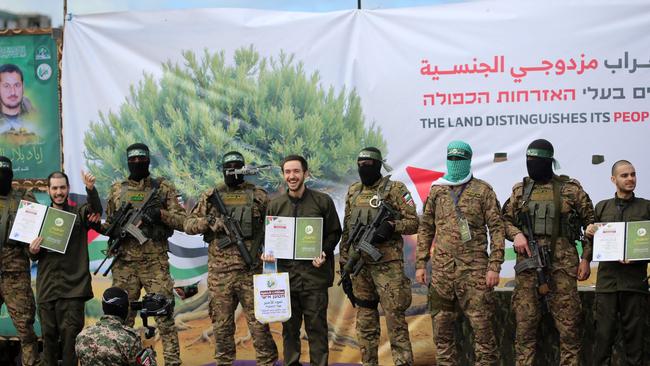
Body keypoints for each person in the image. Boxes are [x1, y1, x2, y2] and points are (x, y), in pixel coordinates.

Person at [502, 139, 594, 365]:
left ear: (549, 161)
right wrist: (516, 235)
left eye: (537, 161)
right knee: (524, 328)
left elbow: (592, 225)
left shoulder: (571, 190)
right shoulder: (520, 190)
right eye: (529, 161)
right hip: (528, 269)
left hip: (563, 268)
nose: (532, 165)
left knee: (570, 328)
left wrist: (585, 258)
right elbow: (503, 221)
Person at [184, 151, 278, 366]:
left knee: (259, 324)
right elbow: (188, 225)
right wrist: (210, 222)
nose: (232, 171)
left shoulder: (259, 195)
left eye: (237, 166)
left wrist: (268, 254)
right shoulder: (211, 195)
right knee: (222, 325)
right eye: (229, 167)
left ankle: (267, 361)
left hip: (250, 271)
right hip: (220, 274)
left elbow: (273, 227)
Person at [415, 141, 504, 366]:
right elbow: (426, 228)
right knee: (442, 335)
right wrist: (420, 263)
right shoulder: (437, 190)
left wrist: (494, 266)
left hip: (474, 274)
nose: (455, 164)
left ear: (469, 161)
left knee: (483, 334)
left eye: (460, 160)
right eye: (452, 159)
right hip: (442, 275)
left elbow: (497, 228)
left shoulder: (483, 190)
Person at [102, 143, 187, 365]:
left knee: (165, 318)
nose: (138, 163)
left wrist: (160, 214)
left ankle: (172, 363)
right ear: (128, 161)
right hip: (124, 265)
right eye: (133, 160)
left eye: (142, 159)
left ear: (148, 160)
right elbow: (110, 225)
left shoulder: (163, 188)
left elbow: (182, 221)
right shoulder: (117, 190)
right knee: (120, 321)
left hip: (155, 263)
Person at [339, 147, 418, 366]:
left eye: (369, 164)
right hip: (360, 266)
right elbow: (348, 228)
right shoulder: (354, 191)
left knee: (396, 322)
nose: (364, 168)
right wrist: (344, 261)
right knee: (365, 322)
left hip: (388, 269)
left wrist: (392, 226)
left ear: (379, 165)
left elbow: (414, 222)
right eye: (360, 164)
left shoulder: (395, 189)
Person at [261, 154, 342, 366]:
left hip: (314, 278)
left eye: (296, 171)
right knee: (289, 331)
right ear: (283, 175)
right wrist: (267, 255)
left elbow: (334, 232)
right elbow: (268, 241)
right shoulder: (275, 206)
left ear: (306, 174)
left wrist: (324, 251)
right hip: (285, 281)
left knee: (317, 330)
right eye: (288, 172)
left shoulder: (322, 201)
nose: (292, 176)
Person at [28, 170, 102, 366]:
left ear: (68, 189)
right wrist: (32, 250)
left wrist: (90, 189)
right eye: (54, 188)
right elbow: (32, 254)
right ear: (48, 190)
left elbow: (95, 211)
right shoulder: (39, 217)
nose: (59, 192)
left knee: (71, 347)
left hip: (73, 291)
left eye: (62, 187)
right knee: (49, 345)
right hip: (47, 291)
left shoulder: (80, 212)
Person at [585, 160, 650, 365]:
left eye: (633, 174)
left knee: (636, 343)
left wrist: (640, 255)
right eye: (624, 175)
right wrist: (589, 233)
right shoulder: (602, 207)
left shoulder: (646, 207)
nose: (630, 178)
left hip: (635, 284)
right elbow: (591, 243)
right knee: (603, 340)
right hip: (607, 285)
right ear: (614, 179)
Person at [0, 156, 40, 366]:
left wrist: (34, 251)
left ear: (11, 175)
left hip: (16, 276)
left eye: (4, 173)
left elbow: (32, 242)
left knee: (26, 332)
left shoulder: (25, 198)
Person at [75, 286, 158, 366]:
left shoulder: (82, 336)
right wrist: (149, 352)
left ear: (104, 307)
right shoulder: (130, 338)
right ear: (124, 309)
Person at [0, 63, 35, 133]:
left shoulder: (34, 115)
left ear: (23, 87)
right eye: (6, 86)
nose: (13, 92)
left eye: (17, 85)